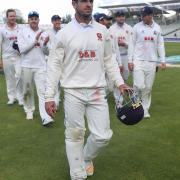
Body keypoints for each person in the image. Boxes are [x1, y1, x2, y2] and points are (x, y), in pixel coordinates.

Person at [45, 0, 129, 179]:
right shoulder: (64, 33)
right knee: (75, 135)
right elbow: (54, 65)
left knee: (103, 136)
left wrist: (120, 83)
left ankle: (86, 158)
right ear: (74, 4)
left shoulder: (102, 30)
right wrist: (49, 97)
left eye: (90, 1)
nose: (88, 4)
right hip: (73, 91)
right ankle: (77, 174)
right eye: (83, 1)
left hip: (98, 91)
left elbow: (109, 60)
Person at [128, 6, 166, 118]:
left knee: (148, 87)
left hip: (152, 61)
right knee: (139, 85)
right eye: (142, 15)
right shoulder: (136, 27)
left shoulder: (158, 28)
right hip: (138, 60)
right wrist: (130, 60)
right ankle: (136, 105)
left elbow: (160, 44)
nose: (142, 17)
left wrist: (162, 60)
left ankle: (144, 110)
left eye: (144, 15)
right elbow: (132, 44)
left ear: (150, 16)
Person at [17, 11, 54, 125]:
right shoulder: (22, 32)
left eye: (35, 18)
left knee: (42, 91)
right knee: (27, 89)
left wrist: (46, 44)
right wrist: (35, 40)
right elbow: (22, 50)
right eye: (31, 18)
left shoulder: (43, 33)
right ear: (28, 20)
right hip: (26, 65)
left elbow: (46, 52)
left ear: (39, 20)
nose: (34, 20)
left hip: (41, 66)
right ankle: (29, 110)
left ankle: (45, 117)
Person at [109, 11, 133, 107]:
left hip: (127, 55)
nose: (121, 18)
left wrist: (125, 44)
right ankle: (118, 102)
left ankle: (122, 90)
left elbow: (132, 44)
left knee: (125, 77)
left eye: (123, 16)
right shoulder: (111, 29)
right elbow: (111, 45)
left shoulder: (129, 28)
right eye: (119, 16)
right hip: (115, 57)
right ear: (116, 18)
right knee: (117, 77)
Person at [0, 9, 23, 105]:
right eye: (11, 16)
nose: (13, 18)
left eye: (14, 16)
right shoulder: (2, 29)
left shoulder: (20, 28)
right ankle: (11, 98)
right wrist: (0, 59)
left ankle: (20, 98)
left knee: (19, 75)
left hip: (18, 57)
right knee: (9, 78)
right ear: (7, 17)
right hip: (6, 57)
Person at [43, 15, 62, 108]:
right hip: (52, 60)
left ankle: (57, 99)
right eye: (55, 20)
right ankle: (55, 100)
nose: (57, 22)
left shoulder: (64, 32)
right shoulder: (48, 33)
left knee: (61, 82)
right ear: (52, 22)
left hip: (63, 60)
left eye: (58, 20)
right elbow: (45, 50)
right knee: (53, 80)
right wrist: (45, 44)